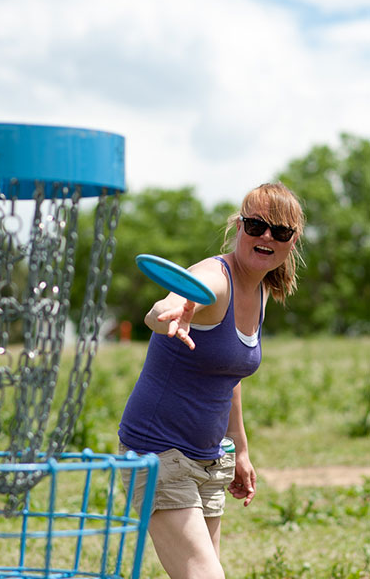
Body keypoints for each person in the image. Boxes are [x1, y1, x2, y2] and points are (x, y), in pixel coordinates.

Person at [118, 182, 305, 579]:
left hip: (208, 458)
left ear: (292, 241)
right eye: (255, 225)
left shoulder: (260, 292)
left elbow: (229, 375)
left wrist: (240, 450)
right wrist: (169, 310)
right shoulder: (216, 279)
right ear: (239, 227)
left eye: (280, 231)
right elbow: (180, 297)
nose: (266, 236)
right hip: (158, 454)